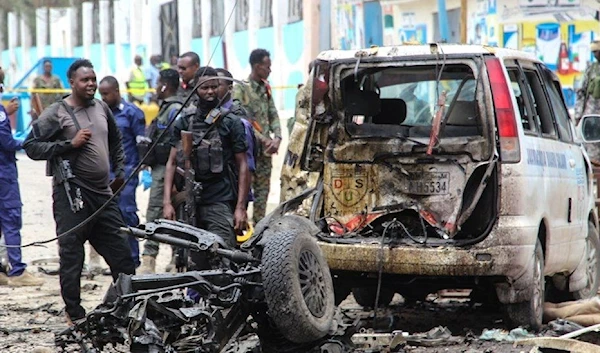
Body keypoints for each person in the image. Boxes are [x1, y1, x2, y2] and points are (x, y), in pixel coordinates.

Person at [23, 59, 135, 323]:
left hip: (103, 197)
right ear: (72, 82)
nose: (91, 84)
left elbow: (116, 140)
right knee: (72, 258)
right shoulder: (56, 112)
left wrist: (119, 172)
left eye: (93, 79)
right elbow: (31, 146)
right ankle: (74, 314)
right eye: (85, 80)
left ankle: (125, 309)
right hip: (71, 197)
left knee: (122, 256)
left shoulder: (102, 108)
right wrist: (68, 144)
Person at [163, 67, 249, 257]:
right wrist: (167, 202)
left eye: (214, 86)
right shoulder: (184, 121)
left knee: (224, 256)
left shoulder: (231, 122)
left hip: (220, 198)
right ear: (195, 89)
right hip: (189, 201)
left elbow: (243, 165)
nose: (210, 92)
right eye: (204, 88)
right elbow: (170, 163)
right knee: (192, 259)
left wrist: (240, 207)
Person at [0, 67, 45, 287]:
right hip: (3, 174)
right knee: (11, 219)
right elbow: (7, 143)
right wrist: (30, 140)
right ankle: (17, 271)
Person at [138, 69, 183, 274]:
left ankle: (153, 259)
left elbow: (178, 144)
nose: (156, 87)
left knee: (156, 213)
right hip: (160, 167)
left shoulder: (175, 109)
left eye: (158, 83)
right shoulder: (166, 107)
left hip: (168, 170)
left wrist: (174, 178)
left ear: (165, 85)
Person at [99, 75, 146, 268]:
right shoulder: (99, 113)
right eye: (100, 94)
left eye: (106, 94)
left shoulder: (132, 113)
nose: (103, 98)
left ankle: (133, 260)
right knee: (108, 218)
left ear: (117, 91)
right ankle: (117, 261)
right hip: (103, 172)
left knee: (127, 214)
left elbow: (142, 144)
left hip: (126, 172)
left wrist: (140, 168)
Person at [232, 49, 281, 223]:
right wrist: (263, 139)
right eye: (267, 67)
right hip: (248, 150)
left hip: (266, 151)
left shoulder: (265, 87)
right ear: (257, 66)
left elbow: (272, 113)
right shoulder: (241, 88)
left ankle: (259, 230)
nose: (269, 70)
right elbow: (241, 119)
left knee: (262, 193)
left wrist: (278, 137)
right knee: (244, 192)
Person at [575, 40, 600, 163]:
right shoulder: (591, 69)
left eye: (597, 52)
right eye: (594, 52)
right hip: (592, 113)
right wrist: (578, 115)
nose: (596, 55)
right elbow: (581, 92)